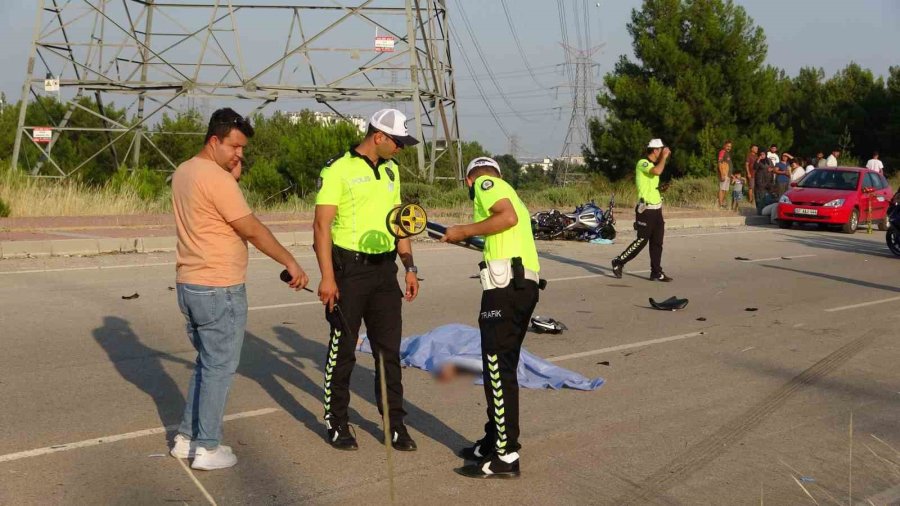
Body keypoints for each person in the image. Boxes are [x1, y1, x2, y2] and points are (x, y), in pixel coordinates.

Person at [170, 108, 310, 470]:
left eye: (243, 150)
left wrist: (233, 174)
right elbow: (251, 228)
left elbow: (216, 212)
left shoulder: (185, 171)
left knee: (206, 364)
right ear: (214, 140)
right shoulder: (218, 181)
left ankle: (186, 438)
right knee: (219, 369)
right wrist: (289, 261)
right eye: (234, 147)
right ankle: (207, 447)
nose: (239, 154)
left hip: (190, 284)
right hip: (220, 287)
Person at [313, 108, 420, 452]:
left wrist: (410, 265)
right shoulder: (338, 169)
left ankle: (395, 424)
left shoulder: (392, 170)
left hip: (384, 271)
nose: (401, 148)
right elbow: (321, 226)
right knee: (343, 350)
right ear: (379, 137)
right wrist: (327, 277)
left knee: (388, 352)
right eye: (398, 142)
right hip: (349, 270)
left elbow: (400, 221)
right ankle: (337, 421)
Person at [441, 157, 541, 479]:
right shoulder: (512, 193)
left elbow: (505, 217)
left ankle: (506, 455)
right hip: (522, 288)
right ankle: (494, 440)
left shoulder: (487, 186)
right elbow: (501, 233)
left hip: (504, 290)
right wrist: (464, 236)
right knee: (503, 367)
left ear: (469, 180)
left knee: (496, 368)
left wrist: (464, 229)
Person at [611, 139, 672, 282]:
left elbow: (652, 181)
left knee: (657, 242)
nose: (663, 152)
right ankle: (619, 261)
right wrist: (664, 158)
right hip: (646, 210)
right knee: (642, 240)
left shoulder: (652, 165)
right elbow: (656, 171)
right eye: (661, 150)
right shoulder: (643, 163)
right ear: (655, 150)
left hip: (657, 209)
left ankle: (656, 272)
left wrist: (660, 189)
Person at [716, 140, 734, 208]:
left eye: (730, 147)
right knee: (722, 189)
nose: (729, 148)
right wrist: (722, 173)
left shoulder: (728, 153)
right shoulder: (722, 152)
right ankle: (719, 204)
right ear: (724, 146)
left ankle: (721, 203)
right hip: (724, 174)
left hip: (728, 175)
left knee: (725, 190)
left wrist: (731, 175)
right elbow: (719, 162)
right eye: (728, 146)